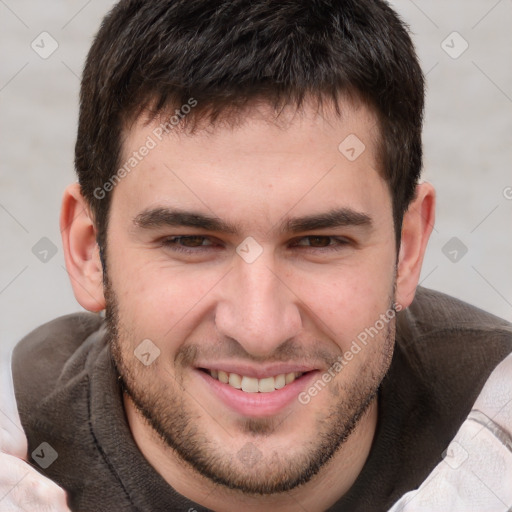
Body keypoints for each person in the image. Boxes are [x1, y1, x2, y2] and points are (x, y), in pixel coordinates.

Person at [3, 0, 512, 510]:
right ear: (89, 252)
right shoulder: (22, 456)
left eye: (319, 241)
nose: (258, 329)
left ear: (409, 250)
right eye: (190, 241)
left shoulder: (496, 437)